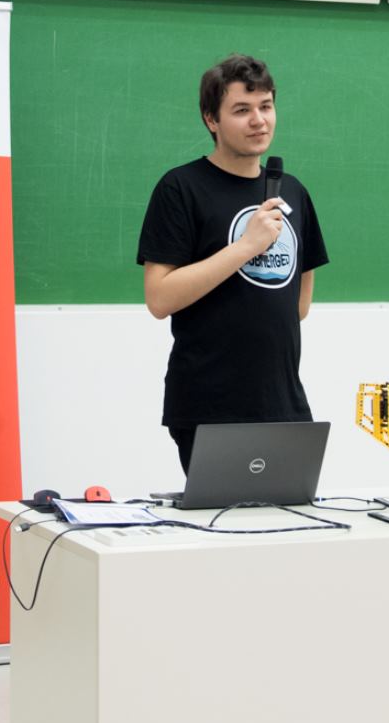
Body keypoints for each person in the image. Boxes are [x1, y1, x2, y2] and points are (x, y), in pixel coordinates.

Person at [137, 55, 328, 473]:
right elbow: (159, 298)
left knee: (292, 514)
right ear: (212, 119)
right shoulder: (181, 188)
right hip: (210, 405)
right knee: (222, 516)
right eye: (241, 110)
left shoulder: (293, 191)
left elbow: (298, 304)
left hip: (284, 404)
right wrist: (246, 247)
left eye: (266, 106)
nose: (258, 120)